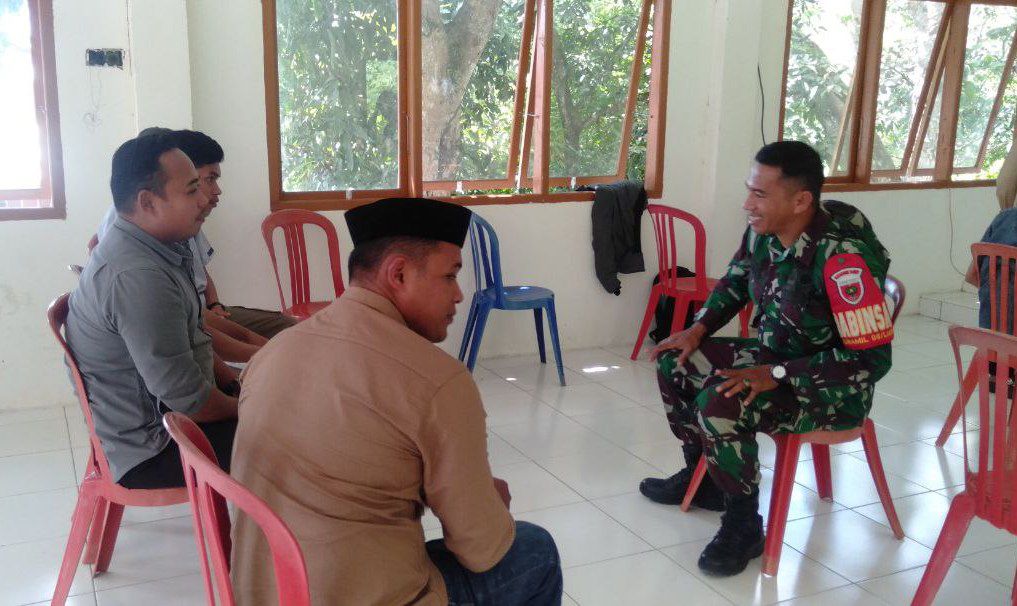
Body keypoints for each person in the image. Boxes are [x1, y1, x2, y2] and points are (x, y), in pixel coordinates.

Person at [229, 198, 562, 605]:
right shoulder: (438, 380)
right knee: (535, 549)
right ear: (399, 273)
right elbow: (480, 549)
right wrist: (492, 507)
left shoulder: (273, 352)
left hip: (262, 592)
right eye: (450, 276)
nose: (459, 294)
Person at [638, 141, 893, 576]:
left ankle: (743, 523)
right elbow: (735, 282)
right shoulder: (763, 233)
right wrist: (696, 331)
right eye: (749, 190)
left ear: (800, 201)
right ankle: (706, 478)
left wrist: (776, 373)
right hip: (775, 358)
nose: (747, 204)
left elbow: (871, 361)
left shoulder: (842, 259)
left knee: (720, 400)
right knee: (675, 362)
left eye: (759, 194)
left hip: (826, 390)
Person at [66, 133, 240, 488]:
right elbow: (191, 402)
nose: (205, 199)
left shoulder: (156, 248)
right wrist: (250, 407)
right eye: (191, 190)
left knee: (293, 411)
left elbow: (195, 344)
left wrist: (238, 385)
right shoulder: (138, 275)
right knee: (301, 436)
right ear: (147, 202)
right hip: (155, 449)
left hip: (174, 422)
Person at [96, 128, 296, 351]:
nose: (211, 194)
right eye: (199, 185)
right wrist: (264, 355)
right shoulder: (139, 267)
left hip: (201, 313)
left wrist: (215, 303)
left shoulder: (176, 226)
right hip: (194, 317)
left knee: (289, 333)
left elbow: (199, 289)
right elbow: (192, 349)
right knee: (285, 344)